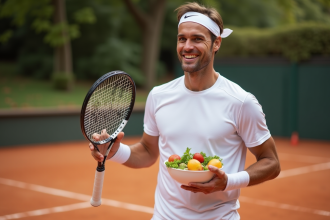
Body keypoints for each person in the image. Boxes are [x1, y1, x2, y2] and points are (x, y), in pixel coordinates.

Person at [89, 2, 281, 220]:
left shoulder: (241, 102)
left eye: (197, 39)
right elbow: (148, 151)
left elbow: (271, 163)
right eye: (182, 39)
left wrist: (228, 181)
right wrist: (114, 151)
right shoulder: (159, 96)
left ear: (216, 43)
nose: (187, 46)